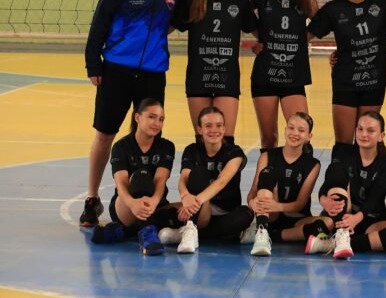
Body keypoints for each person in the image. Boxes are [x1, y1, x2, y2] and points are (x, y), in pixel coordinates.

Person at [80, 0, 187, 227]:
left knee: (150, 135)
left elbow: (181, 20)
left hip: (153, 72)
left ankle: (145, 200)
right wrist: (93, 63)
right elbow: (101, 18)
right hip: (117, 68)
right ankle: (92, 199)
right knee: (105, 133)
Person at [307, 0, 386, 157]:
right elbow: (305, 36)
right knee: (344, 145)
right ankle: (341, 178)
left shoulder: (383, 3)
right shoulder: (334, 9)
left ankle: (368, 178)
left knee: (367, 142)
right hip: (345, 81)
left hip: (373, 81)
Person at [171, 0, 257, 144]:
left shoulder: (238, 0)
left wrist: (262, 45)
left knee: (225, 140)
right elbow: (169, 27)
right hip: (197, 77)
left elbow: (256, 30)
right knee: (203, 139)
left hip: (227, 78)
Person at [305, 112, 386, 259]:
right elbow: (330, 182)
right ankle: (342, 237)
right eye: (360, 129)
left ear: (381, 136)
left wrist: (357, 217)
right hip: (342, 218)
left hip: (370, 220)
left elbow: (377, 195)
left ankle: (331, 245)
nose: (364, 134)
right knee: (314, 223)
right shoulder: (345, 154)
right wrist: (323, 199)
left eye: (370, 130)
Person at [157, 106, 253, 253]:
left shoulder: (234, 152)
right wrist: (185, 196)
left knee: (245, 215)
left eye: (219, 125)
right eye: (208, 126)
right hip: (198, 210)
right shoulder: (192, 150)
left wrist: (194, 202)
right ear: (200, 129)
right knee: (198, 175)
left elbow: (221, 182)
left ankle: (184, 232)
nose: (214, 130)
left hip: (223, 211)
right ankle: (193, 230)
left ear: (224, 128)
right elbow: (183, 178)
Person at [250, 0, 318, 152]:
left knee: (302, 136)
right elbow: (238, 15)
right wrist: (260, 38)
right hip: (265, 74)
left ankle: (300, 173)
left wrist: (300, 40)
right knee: (268, 139)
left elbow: (321, 23)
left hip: (293, 75)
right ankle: (268, 173)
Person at [90, 98, 177, 256]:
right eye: (152, 117)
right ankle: (148, 235)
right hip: (125, 206)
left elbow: (160, 181)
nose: (157, 123)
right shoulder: (121, 147)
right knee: (141, 178)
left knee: (186, 211)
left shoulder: (167, 147)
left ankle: (121, 232)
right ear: (137, 117)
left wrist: (154, 201)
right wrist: (132, 203)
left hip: (155, 205)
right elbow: (121, 184)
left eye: (161, 119)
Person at [243, 112, 332, 256]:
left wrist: (278, 206)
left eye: (301, 130)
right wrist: (252, 203)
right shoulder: (267, 156)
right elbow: (253, 191)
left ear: (309, 136)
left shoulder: (313, 164)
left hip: (297, 219)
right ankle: (262, 233)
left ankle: (273, 235)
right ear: (285, 130)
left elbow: (301, 203)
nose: (295, 133)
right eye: (291, 128)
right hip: (270, 215)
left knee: (328, 222)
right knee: (268, 174)